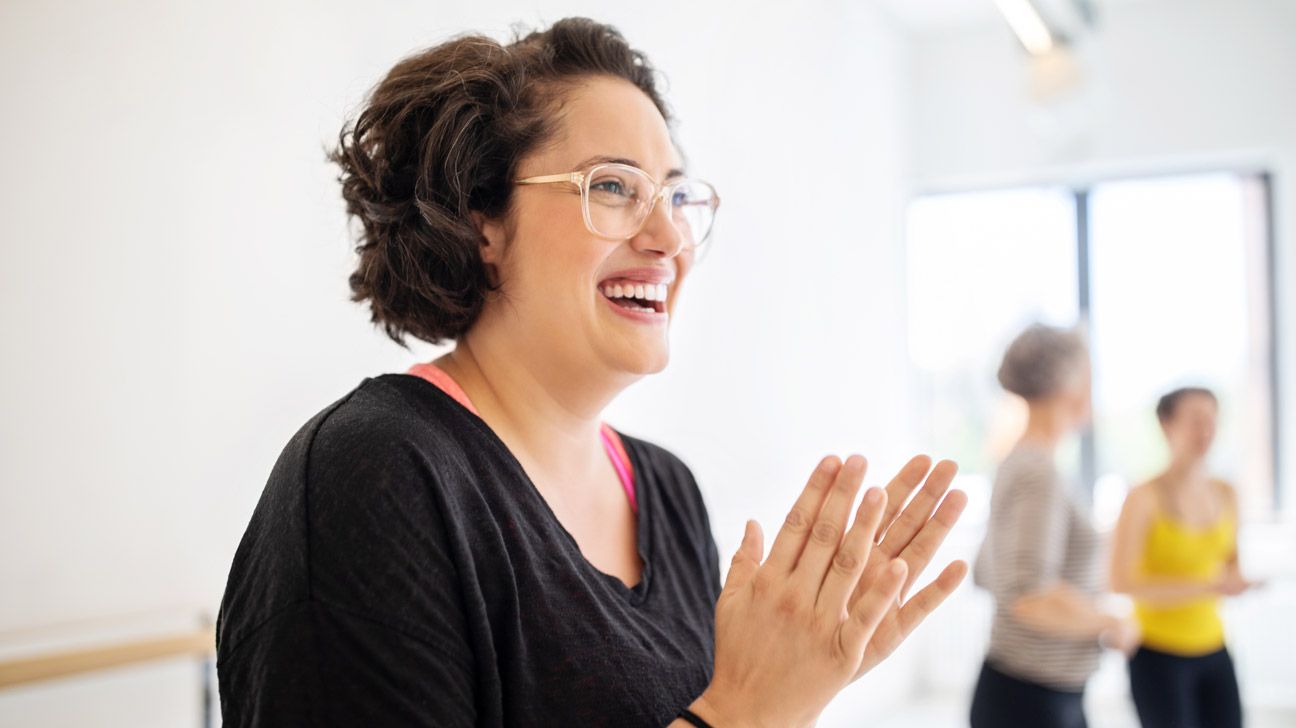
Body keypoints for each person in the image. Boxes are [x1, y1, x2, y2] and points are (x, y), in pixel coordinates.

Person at [215, 18, 970, 727]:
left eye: (676, 194)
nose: (669, 235)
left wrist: (789, 689)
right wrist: (741, 710)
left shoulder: (666, 492)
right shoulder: (376, 473)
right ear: (482, 220)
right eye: (613, 187)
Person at [971, 323, 1139, 728]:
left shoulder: (1019, 461)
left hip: (1030, 691)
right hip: (1031, 699)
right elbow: (1029, 595)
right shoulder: (1037, 472)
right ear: (1072, 385)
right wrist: (1111, 621)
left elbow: (986, 573)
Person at [1109, 387, 1254, 728]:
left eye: (1211, 420)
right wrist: (1208, 586)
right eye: (1195, 420)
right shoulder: (1143, 497)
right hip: (1157, 654)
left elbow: (1231, 565)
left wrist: (1235, 582)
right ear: (1166, 425)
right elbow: (1120, 581)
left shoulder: (1227, 493)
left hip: (1214, 647)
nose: (1205, 431)